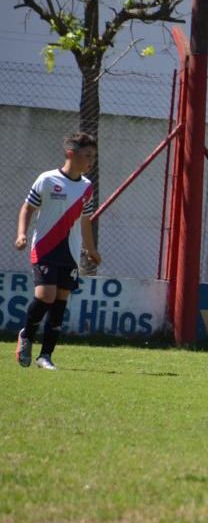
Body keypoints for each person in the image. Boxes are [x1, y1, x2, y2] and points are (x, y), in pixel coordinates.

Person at [14, 132, 102, 370]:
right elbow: (28, 208)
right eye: (87, 155)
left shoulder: (86, 187)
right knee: (46, 296)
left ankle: (45, 356)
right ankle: (26, 336)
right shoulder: (47, 179)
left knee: (60, 302)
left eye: (93, 156)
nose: (91, 161)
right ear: (70, 154)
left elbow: (85, 221)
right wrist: (22, 234)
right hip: (44, 247)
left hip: (70, 253)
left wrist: (91, 249)